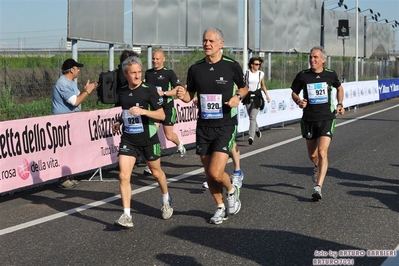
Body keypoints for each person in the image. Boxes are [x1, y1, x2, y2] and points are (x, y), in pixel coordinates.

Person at [177, 27, 248, 224]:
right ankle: (219, 206)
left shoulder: (231, 66)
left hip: (225, 124)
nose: (206, 44)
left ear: (221, 44)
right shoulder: (195, 69)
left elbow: (244, 87)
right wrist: (183, 95)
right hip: (204, 126)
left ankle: (232, 190)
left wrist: (237, 97)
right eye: (204, 41)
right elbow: (189, 95)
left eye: (210, 41)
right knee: (208, 172)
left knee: (217, 172)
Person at [112, 56, 173, 228]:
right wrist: (119, 121)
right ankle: (127, 215)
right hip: (129, 139)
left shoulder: (149, 90)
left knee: (156, 172)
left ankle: (166, 199)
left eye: (139, 72)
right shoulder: (122, 91)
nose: (137, 76)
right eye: (133, 73)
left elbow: (161, 115)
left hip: (148, 139)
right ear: (126, 74)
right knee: (123, 175)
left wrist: (144, 112)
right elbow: (125, 111)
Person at [291, 46, 345, 201]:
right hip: (308, 119)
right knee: (313, 154)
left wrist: (340, 104)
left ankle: (318, 187)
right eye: (311, 57)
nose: (312, 60)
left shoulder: (330, 74)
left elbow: (339, 88)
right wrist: (298, 101)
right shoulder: (303, 76)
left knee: (322, 152)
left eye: (315, 57)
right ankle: (317, 166)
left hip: (327, 118)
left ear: (323, 60)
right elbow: (294, 92)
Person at [52, 58, 98, 188]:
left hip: (71, 122)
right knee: (64, 151)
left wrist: (86, 90)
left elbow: (78, 98)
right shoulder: (63, 84)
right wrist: (87, 91)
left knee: (71, 150)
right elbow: (75, 101)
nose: (79, 70)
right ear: (72, 70)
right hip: (62, 124)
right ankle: (63, 178)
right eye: (77, 68)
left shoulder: (71, 82)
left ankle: (69, 175)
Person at [142, 50, 186, 176]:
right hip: (154, 109)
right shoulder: (148, 73)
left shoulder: (169, 72)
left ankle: (179, 144)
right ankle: (151, 164)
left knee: (169, 135)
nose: (155, 61)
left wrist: (164, 93)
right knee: (150, 135)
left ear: (163, 59)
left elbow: (178, 89)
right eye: (153, 59)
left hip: (167, 108)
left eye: (157, 59)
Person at [243, 57, 271, 145]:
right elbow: (242, 84)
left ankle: (251, 137)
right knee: (251, 117)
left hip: (257, 97)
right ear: (252, 65)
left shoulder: (260, 74)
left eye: (259, 64)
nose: (258, 66)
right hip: (247, 96)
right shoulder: (246, 73)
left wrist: (267, 95)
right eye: (256, 64)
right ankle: (257, 130)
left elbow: (263, 85)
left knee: (252, 116)